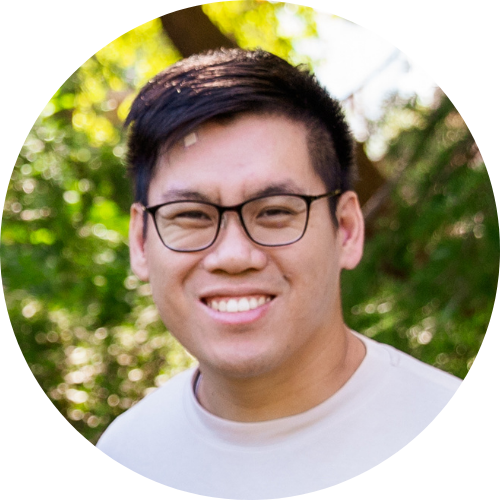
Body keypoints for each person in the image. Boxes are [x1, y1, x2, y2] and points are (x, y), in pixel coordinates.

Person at [97, 49, 460, 499]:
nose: (233, 256)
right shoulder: (124, 457)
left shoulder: (462, 443)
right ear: (140, 242)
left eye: (273, 212)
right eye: (190, 215)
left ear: (346, 230)